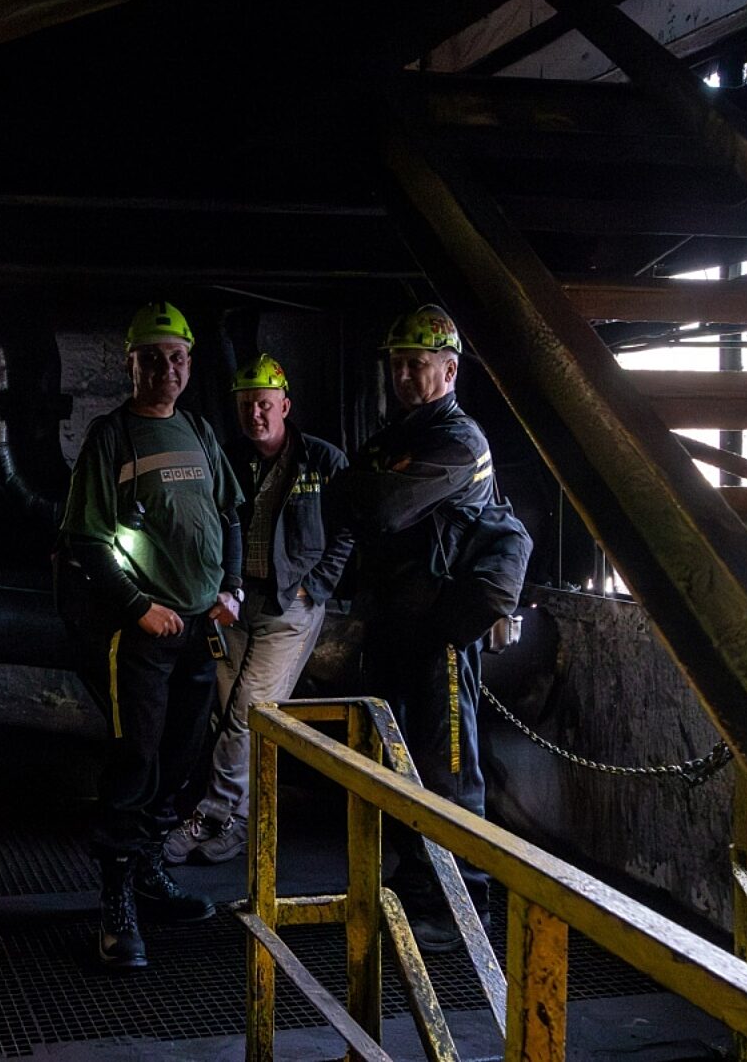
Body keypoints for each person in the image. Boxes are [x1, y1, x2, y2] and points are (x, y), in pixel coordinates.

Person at [57, 301, 243, 971]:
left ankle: (148, 875)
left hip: (198, 630)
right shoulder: (112, 437)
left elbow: (230, 514)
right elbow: (85, 540)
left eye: (178, 357)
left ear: (189, 365)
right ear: (130, 364)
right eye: (154, 358)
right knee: (135, 760)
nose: (168, 368)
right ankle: (116, 904)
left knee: (183, 758)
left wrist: (232, 587)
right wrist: (139, 606)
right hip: (142, 634)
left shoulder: (198, 430)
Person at [336, 303, 498, 953]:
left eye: (417, 365)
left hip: (440, 635)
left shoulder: (460, 442)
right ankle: (417, 883)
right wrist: (370, 486)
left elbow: (377, 504)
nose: (403, 376)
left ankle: (466, 903)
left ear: (449, 370)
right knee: (396, 759)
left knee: (449, 768)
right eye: (398, 365)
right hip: (391, 626)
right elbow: (342, 499)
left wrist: (374, 486)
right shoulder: (392, 439)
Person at [163, 354, 353, 866]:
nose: (255, 415)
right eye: (246, 405)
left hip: (290, 604)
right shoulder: (229, 458)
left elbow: (349, 529)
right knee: (232, 714)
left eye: (265, 405)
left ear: (284, 406)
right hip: (237, 602)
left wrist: (315, 586)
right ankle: (240, 821)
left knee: (247, 713)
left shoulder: (323, 461)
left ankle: (211, 815)